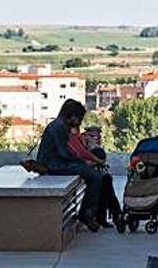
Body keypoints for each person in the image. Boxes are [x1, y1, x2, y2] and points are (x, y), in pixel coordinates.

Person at [36, 99, 103, 231]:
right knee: (96, 177)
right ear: (72, 116)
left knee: (93, 174)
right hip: (54, 165)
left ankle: (87, 212)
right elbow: (64, 153)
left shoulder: (58, 125)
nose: (79, 123)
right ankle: (86, 213)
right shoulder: (59, 127)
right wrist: (83, 162)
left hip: (56, 162)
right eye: (79, 119)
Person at [67, 125, 122, 228]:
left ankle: (111, 216)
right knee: (106, 190)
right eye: (93, 136)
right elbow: (86, 161)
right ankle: (115, 216)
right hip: (95, 175)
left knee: (106, 189)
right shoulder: (81, 144)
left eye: (98, 136)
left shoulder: (95, 149)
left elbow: (92, 162)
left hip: (100, 175)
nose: (96, 139)